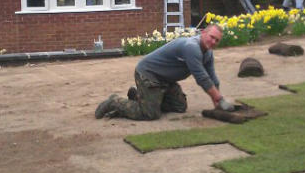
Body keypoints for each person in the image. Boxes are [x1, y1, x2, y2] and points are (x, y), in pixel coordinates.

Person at [95, 24, 235, 120]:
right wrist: (220, 100)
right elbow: (202, 78)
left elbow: (212, 78)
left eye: (217, 40)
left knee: (179, 107)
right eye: (211, 36)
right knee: (150, 114)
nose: (213, 41)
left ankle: (140, 96)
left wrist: (216, 105)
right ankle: (114, 102)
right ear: (203, 32)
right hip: (148, 74)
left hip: (165, 80)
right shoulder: (191, 47)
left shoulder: (208, 53)